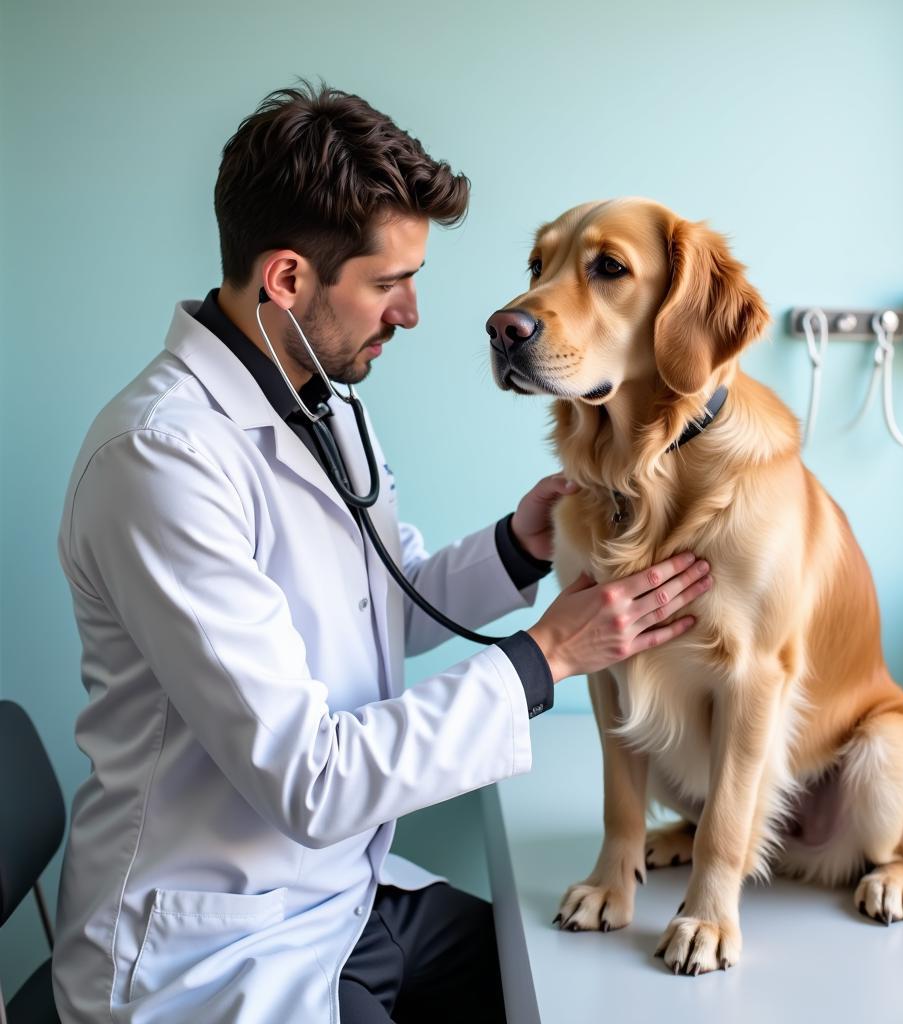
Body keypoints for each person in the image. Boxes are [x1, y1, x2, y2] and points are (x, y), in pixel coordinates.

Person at [51, 81, 713, 1024]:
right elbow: (309, 780)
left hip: (343, 898)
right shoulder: (160, 462)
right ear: (287, 279)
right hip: (215, 943)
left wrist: (516, 549)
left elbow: (378, 598)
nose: (409, 313)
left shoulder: (316, 394)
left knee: (572, 993)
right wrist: (549, 657)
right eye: (388, 282)